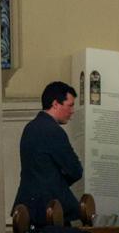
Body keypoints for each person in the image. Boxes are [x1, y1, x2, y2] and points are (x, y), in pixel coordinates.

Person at [12, 81, 83, 225]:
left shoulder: (30, 128)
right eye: (70, 105)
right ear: (55, 104)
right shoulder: (53, 131)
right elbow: (75, 170)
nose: (72, 111)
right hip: (50, 208)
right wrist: (57, 180)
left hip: (28, 207)